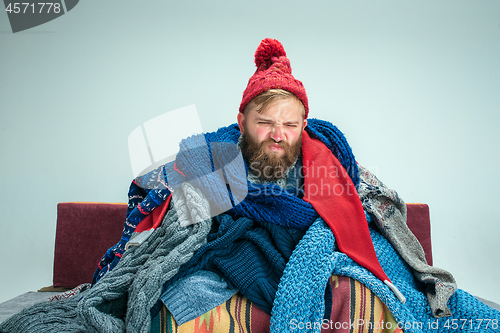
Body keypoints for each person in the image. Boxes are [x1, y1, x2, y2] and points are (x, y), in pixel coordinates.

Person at [1, 38, 499, 333]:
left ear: (303, 123)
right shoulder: (217, 156)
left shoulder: (328, 160)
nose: (278, 135)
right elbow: (173, 221)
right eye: (266, 122)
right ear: (243, 119)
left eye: (290, 123)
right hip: (231, 259)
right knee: (180, 296)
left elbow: (373, 214)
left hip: (312, 252)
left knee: (357, 288)